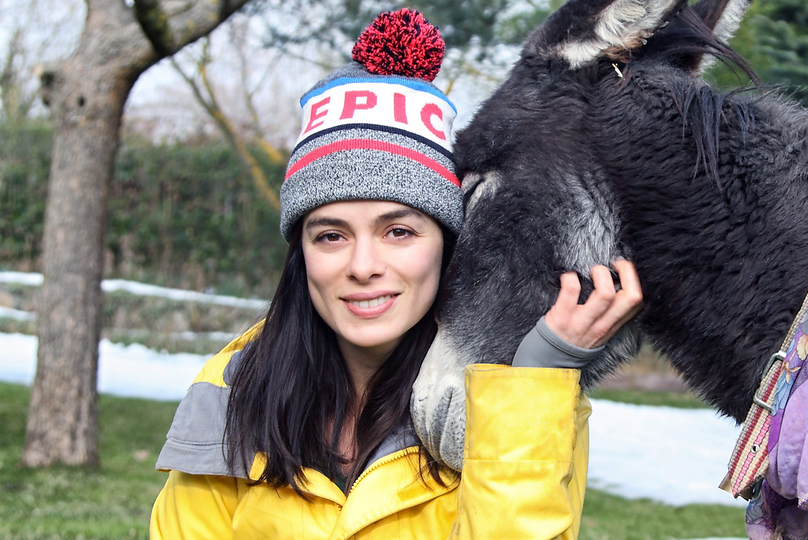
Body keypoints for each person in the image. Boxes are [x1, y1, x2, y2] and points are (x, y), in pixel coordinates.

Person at [149, 8, 643, 540]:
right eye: (331, 236)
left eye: (399, 232)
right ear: (301, 254)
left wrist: (532, 383)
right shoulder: (233, 387)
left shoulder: (527, 400)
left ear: (447, 245)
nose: (363, 267)